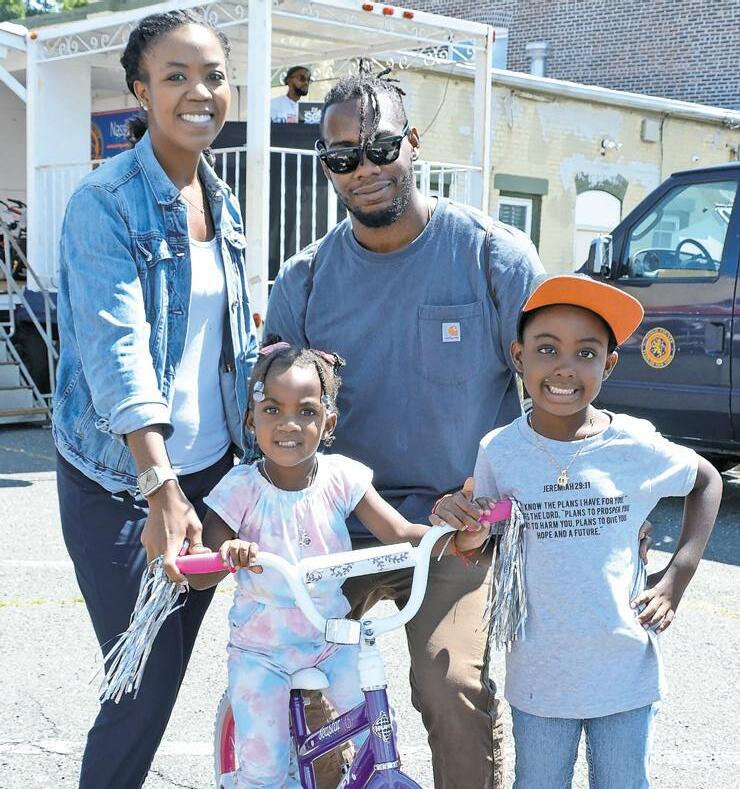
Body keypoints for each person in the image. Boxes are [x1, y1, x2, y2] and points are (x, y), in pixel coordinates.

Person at [264, 66, 545, 788]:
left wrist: (566, 493)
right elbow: (267, 420)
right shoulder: (304, 281)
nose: (364, 169)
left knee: (450, 685)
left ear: (414, 142)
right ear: (326, 165)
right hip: (338, 530)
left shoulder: (492, 257)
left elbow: (556, 399)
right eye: (342, 158)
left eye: (382, 148)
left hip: (454, 529)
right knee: (297, 683)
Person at [52, 11, 257, 788]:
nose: (199, 91)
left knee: (161, 680)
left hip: (211, 479)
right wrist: (159, 485)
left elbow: (225, 344)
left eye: (213, 75)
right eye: (176, 77)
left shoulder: (223, 202)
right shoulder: (103, 202)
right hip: (124, 484)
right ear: (140, 91)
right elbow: (117, 351)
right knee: (140, 685)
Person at [435, 274, 722, 788]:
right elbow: (491, 534)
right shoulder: (499, 450)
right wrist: (467, 528)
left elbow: (707, 481)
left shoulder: (634, 445)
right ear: (519, 357)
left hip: (624, 671)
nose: (565, 367)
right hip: (540, 677)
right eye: (547, 349)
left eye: (586, 353)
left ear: (608, 365)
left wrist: (676, 575)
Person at [187, 340, 490, 787]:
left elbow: (400, 532)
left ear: (328, 420)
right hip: (262, 651)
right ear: (251, 419)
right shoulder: (240, 488)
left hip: (331, 637)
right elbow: (205, 569)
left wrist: (453, 538)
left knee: (376, 732)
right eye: (272, 410)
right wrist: (229, 554)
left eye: (307, 411)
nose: (289, 424)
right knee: (265, 770)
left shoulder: (341, 476)